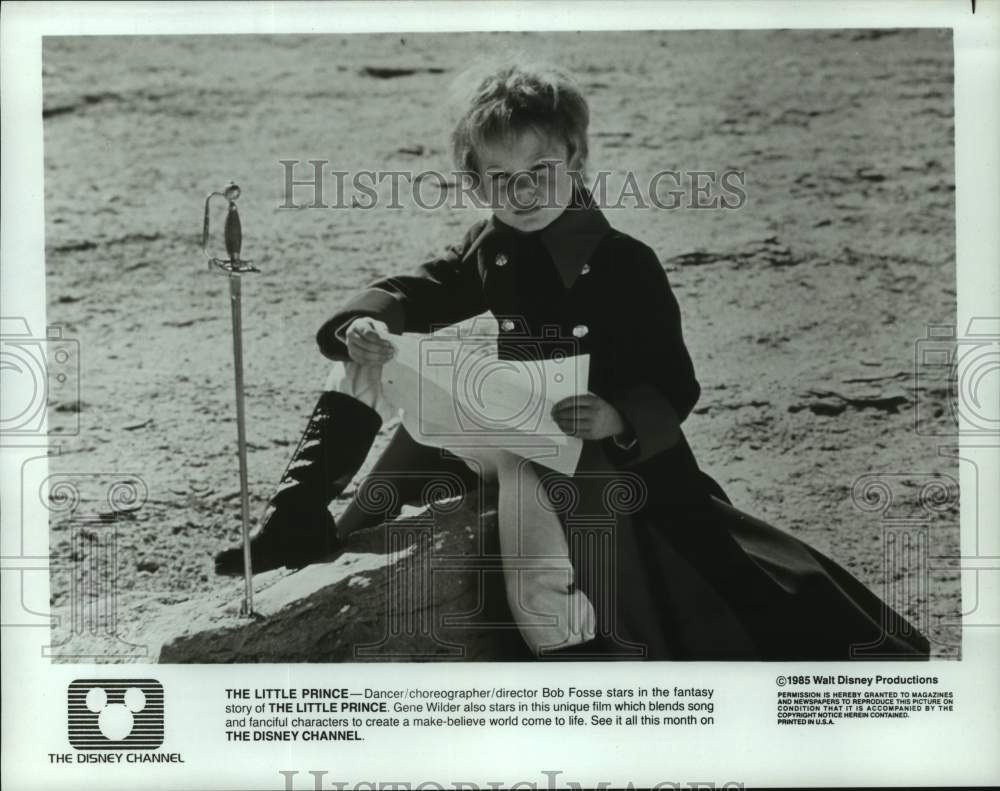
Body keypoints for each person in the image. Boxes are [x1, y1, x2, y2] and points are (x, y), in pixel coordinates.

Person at [216, 62, 930, 661]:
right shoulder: (490, 243)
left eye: (540, 171)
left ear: (579, 163)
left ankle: (573, 661)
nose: (521, 193)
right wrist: (367, 318)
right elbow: (425, 287)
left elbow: (677, 380)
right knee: (362, 348)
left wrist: (618, 412)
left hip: (587, 451)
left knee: (532, 557)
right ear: (475, 181)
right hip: (506, 417)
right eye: (499, 178)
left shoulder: (625, 262)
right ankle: (296, 513)